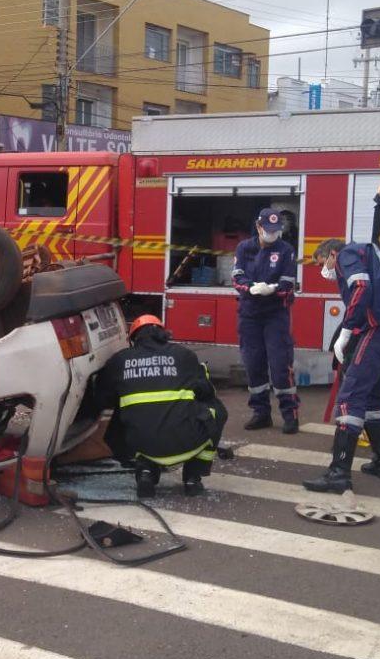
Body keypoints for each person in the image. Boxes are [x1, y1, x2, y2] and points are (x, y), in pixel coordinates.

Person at [303, 239, 380, 493]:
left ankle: (338, 473)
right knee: (374, 396)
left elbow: (361, 288)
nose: (327, 271)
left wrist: (345, 333)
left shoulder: (347, 254)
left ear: (332, 254)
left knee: (350, 396)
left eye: (324, 264)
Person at [94, 315, 228, 497]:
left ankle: (146, 473)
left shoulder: (119, 361)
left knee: (136, 418)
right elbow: (206, 392)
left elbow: (102, 398)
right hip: (187, 441)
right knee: (218, 411)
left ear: (133, 339)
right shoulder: (184, 355)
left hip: (140, 443)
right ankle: (193, 477)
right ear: (164, 334)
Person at [231, 208, 300, 434]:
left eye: (276, 230)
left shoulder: (285, 250)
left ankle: (290, 414)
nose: (272, 234)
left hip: (275, 314)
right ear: (259, 227)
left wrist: (273, 289)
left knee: (280, 366)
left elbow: (288, 281)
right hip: (249, 314)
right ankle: (261, 413)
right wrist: (251, 288)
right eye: (268, 230)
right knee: (253, 364)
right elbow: (237, 276)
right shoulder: (244, 248)